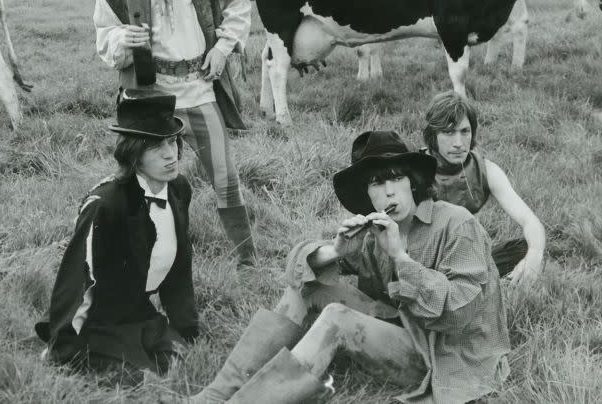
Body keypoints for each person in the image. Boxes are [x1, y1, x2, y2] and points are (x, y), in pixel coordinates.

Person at [192, 131, 510, 404]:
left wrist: (401, 257)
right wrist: (335, 250)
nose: (388, 191)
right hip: (399, 324)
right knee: (309, 287)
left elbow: (460, 314)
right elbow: (296, 271)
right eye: (376, 182)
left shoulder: (456, 224)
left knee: (336, 318)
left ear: (413, 182)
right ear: (366, 193)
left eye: (397, 177)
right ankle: (215, 395)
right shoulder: (375, 230)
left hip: (442, 352)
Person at [93, 0, 256, 267]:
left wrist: (222, 48)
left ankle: (247, 260)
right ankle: (153, 257)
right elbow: (104, 35)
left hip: (199, 88)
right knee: (151, 181)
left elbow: (238, 5)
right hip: (152, 96)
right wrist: (124, 38)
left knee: (225, 178)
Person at [35, 89, 198, 385]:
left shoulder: (178, 189)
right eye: (155, 146)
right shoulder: (105, 205)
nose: (169, 153)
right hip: (102, 321)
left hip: (141, 313)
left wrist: (186, 328)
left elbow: (180, 265)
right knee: (140, 380)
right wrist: (63, 347)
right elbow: (76, 281)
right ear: (133, 151)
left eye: (173, 141)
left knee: (180, 364)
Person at [423, 90, 546, 284]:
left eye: (464, 131)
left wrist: (534, 256)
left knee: (526, 248)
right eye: (448, 132)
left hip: (469, 257)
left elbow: (529, 220)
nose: (458, 143)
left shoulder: (486, 170)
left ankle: (485, 281)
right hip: (427, 263)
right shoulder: (416, 170)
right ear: (432, 135)